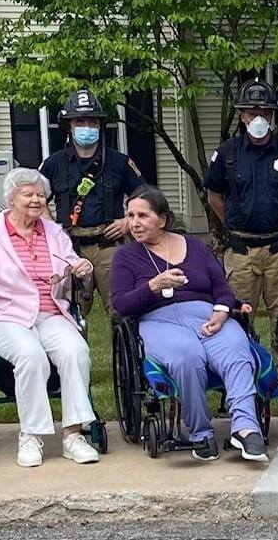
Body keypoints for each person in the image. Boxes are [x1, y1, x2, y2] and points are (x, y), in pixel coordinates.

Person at [0, 168, 101, 468]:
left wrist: (80, 267)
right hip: (3, 316)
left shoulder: (55, 233)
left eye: (40, 195)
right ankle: (31, 435)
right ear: (11, 198)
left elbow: (70, 264)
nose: (36, 200)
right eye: (28, 194)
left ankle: (73, 435)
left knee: (76, 351)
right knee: (31, 356)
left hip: (50, 311)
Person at [110, 186, 268, 462]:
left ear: (162, 219)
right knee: (187, 354)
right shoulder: (126, 256)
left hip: (205, 314)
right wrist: (152, 286)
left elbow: (221, 287)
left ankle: (245, 428)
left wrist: (221, 312)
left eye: (143, 216)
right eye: (130, 215)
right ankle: (201, 432)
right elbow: (122, 304)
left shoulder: (195, 247)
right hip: (156, 319)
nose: (134, 222)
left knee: (235, 347)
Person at [205, 78, 278, 320]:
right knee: (237, 319)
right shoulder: (227, 153)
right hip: (240, 253)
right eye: (251, 113)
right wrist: (233, 221)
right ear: (242, 116)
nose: (258, 119)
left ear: (272, 116)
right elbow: (213, 195)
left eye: (264, 113)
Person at [39, 88, 147, 317]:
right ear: (69, 126)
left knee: (122, 312)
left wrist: (128, 221)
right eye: (80, 120)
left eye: (92, 121)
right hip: (69, 249)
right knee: (69, 314)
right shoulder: (53, 164)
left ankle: (123, 353)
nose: (86, 126)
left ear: (100, 125)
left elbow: (145, 198)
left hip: (110, 248)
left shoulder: (120, 162)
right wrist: (52, 230)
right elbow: (33, 201)